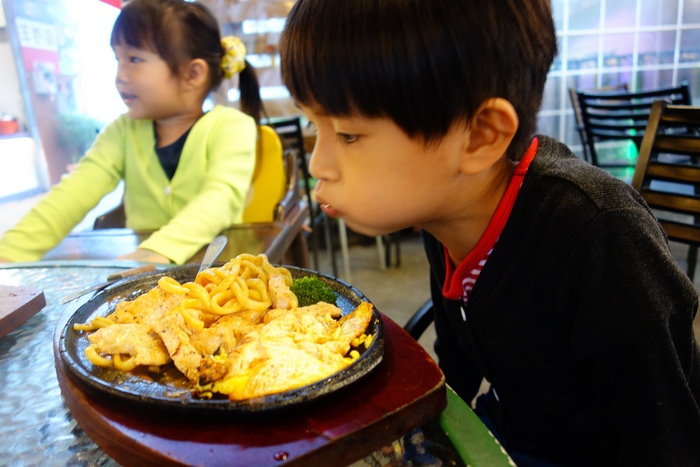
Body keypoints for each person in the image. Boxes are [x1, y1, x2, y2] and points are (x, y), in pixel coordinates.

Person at [278, 0, 700, 465]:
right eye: (313, 124)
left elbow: (668, 438)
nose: (318, 165)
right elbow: (455, 365)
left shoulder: (600, 234)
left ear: (480, 136)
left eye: (348, 134)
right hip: (514, 426)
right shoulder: (446, 211)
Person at [0, 0, 263, 265]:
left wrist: (157, 251)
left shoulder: (232, 126)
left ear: (193, 74)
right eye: (118, 59)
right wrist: (10, 252)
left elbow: (219, 198)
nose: (120, 76)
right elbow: (72, 194)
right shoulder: (122, 131)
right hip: (144, 276)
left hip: (217, 272)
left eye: (135, 59)